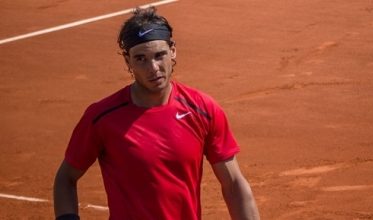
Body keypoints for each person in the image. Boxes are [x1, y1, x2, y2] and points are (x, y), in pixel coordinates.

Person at [53, 6, 260, 220]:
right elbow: (66, 178)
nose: (153, 68)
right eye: (141, 59)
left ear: (173, 51)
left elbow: (234, 183)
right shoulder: (102, 117)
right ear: (128, 61)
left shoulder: (203, 109)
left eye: (159, 55)